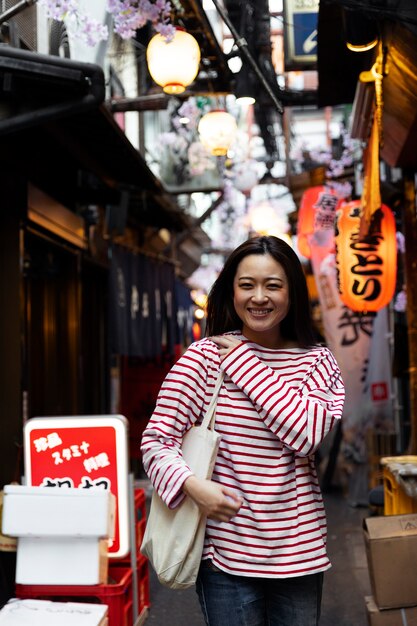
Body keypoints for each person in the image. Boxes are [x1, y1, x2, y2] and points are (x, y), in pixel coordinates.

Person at [141, 235, 345, 626]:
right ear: (231, 290)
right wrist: (191, 485)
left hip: (299, 554)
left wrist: (244, 363)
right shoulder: (202, 359)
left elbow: (304, 436)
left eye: (273, 285)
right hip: (223, 556)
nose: (259, 297)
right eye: (247, 285)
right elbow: (156, 442)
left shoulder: (319, 363)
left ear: (293, 293)